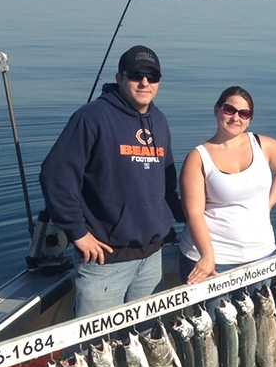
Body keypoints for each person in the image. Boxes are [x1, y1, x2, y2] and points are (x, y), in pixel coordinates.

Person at [40, 46, 183, 318]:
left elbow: (166, 185)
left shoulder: (160, 121)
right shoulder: (91, 117)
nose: (144, 82)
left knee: (146, 337)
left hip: (152, 257)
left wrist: (191, 216)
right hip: (104, 261)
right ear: (120, 78)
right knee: (97, 341)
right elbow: (55, 175)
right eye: (136, 75)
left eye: (152, 77)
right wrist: (78, 233)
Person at [177, 86, 276, 286]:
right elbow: (193, 213)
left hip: (259, 255)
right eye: (229, 110)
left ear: (250, 119)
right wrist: (207, 255)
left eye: (244, 113)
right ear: (217, 110)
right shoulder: (198, 157)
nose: (235, 118)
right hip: (213, 262)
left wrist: (267, 206)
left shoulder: (265, 146)